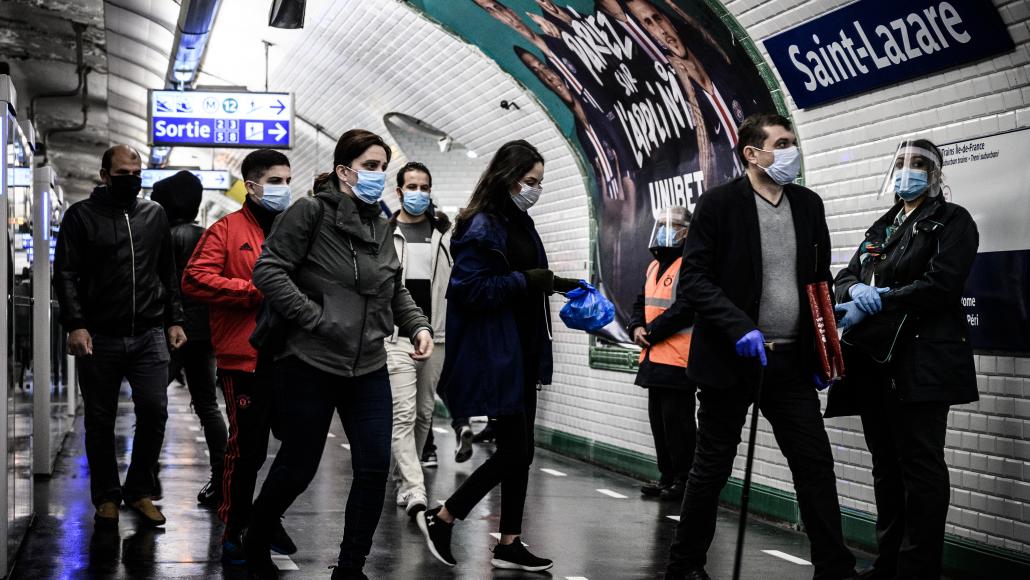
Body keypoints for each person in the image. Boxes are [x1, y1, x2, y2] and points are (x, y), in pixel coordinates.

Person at [665, 114, 857, 580]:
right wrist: (737, 326)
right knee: (711, 469)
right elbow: (693, 280)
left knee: (814, 462)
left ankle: (835, 568)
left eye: (793, 142)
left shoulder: (809, 205)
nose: (792, 151)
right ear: (752, 153)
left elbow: (818, 280)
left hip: (790, 364)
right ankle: (684, 565)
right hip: (732, 360)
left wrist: (824, 347)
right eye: (783, 143)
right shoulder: (718, 205)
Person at [244, 130, 433, 580]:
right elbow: (268, 270)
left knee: (373, 465)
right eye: (370, 166)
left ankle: (350, 567)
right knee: (299, 464)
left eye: (382, 167)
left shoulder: (380, 224)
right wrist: (314, 317)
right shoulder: (310, 212)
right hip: (310, 361)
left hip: (368, 363)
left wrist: (417, 325)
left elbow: (393, 288)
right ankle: (255, 536)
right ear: (345, 170)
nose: (378, 175)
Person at [418, 140, 578, 573]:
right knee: (515, 451)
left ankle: (509, 542)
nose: (535, 189)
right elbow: (470, 289)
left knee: (519, 451)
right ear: (506, 177)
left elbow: (522, 277)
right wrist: (529, 281)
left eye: (540, 182)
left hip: (523, 349)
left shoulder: (518, 221)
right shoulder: (482, 225)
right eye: (530, 181)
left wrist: (558, 282)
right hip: (499, 352)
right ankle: (444, 515)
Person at [830, 139, 979, 580]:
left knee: (921, 465)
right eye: (900, 163)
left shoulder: (953, 221)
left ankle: (918, 569)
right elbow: (845, 276)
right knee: (885, 465)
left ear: (936, 174)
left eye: (918, 164)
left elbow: (942, 286)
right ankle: (888, 561)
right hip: (875, 361)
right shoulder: (885, 224)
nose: (906, 171)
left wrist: (885, 296)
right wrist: (855, 290)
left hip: (922, 362)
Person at [54, 144, 187, 528]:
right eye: (123, 174)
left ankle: (140, 491)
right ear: (104, 175)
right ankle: (106, 497)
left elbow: (168, 271)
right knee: (99, 419)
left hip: (148, 334)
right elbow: (65, 274)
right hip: (100, 336)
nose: (131, 179)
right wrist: (76, 324)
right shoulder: (81, 217)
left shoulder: (153, 214)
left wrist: (175, 319)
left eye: (136, 172)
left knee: (154, 410)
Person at [181, 149, 297, 564]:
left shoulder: (295, 229)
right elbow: (195, 278)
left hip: (292, 357)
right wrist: (250, 291)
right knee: (247, 450)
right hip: (243, 357)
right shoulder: (226, 230)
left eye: (288, 179)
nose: (284, 187)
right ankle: (233, 531)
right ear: (252, 185)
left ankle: (266, 515)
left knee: (300, 443)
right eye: (276, 181)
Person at [150, 170, 228, 509]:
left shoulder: (163, 237)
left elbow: (163, 287)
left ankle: (146, 478)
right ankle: (222, 477)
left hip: (170, 332)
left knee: (152, 404)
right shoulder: (210, 236)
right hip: (207, 333)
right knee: (208, 406)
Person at [386, 161, 454, 516]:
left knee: (424, 413)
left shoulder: (445, 235)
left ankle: (402, 479)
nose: (418, 193)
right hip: (396, 335)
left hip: (436, 334)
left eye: (424, 187)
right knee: (403, 412)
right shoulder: (384, 232)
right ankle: (414, 487)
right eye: (411, 187)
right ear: (398, 192)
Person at [628, 206, 696, 502]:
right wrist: (635, 327)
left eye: (675, 225)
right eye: (663, 224)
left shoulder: (689, 264)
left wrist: (651, 331)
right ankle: (667, 476)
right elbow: (639, 302)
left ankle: (684, 480)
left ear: (687, 231)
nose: (666, 230)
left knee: (678, 424)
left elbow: (686, 308)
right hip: (654, 359)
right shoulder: (654, 266)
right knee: (658, 422)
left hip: (679, 360)